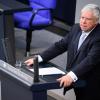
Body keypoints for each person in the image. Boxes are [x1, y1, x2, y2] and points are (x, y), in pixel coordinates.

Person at [25, 4, 100, 100]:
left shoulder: (98, 37)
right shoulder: (76, 28)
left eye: (88, 19)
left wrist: (71, 75)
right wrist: (39, 58)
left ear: (96, 21)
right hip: (78, 77)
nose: (83, 22)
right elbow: (60, 46)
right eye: (82, 17)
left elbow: (90, 60)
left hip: (92, 82)